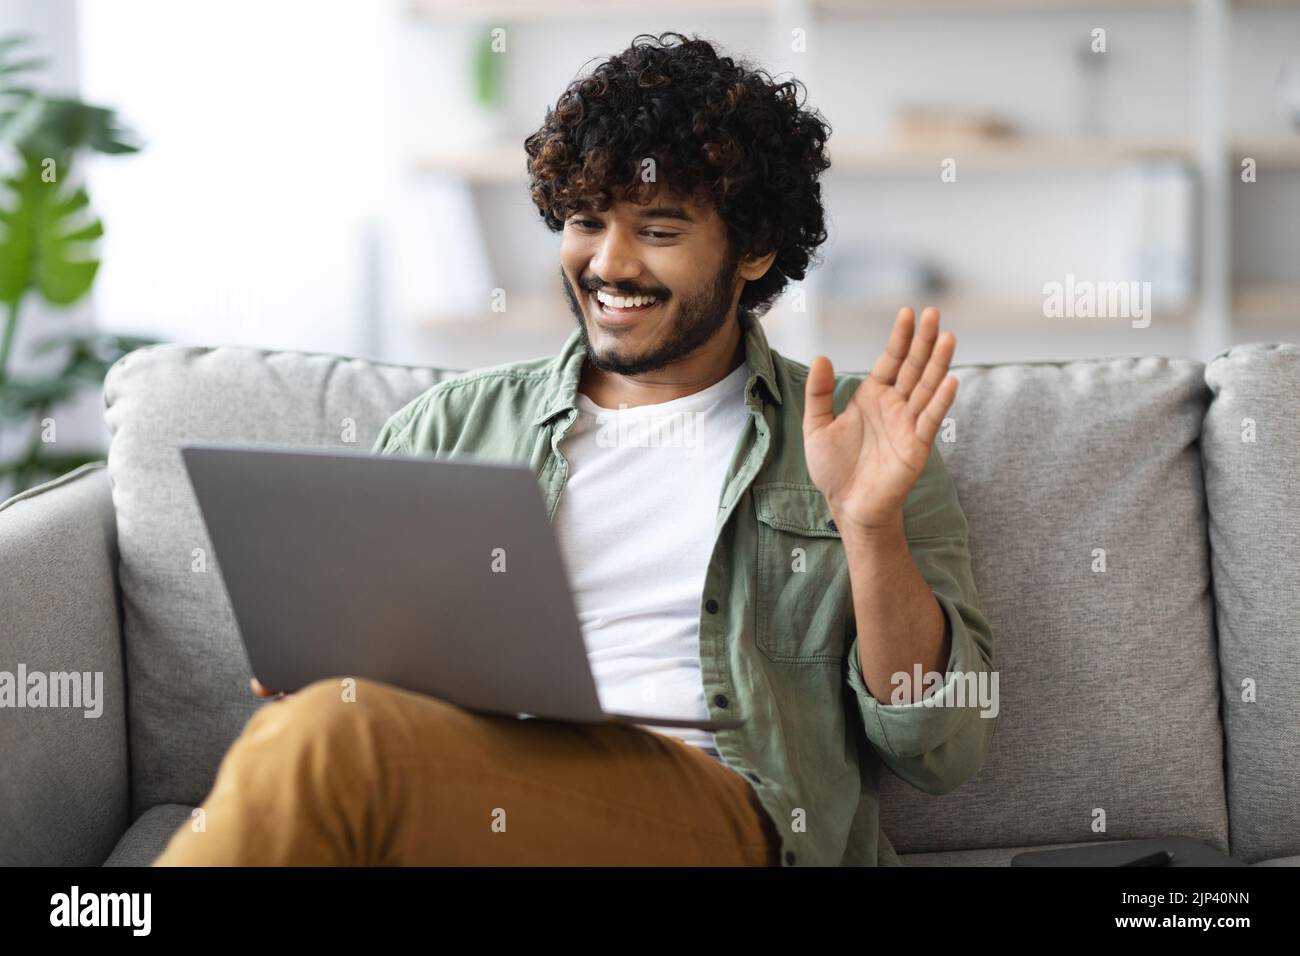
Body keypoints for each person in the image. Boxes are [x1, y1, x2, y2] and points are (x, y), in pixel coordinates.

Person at [154, 31, 996, 868]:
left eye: (659, 231)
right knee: (318, 733)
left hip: (724, 813)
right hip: (469, 802)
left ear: (753, 250)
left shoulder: (857, 436)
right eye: (586, 221)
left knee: (330, 744)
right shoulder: (453, 427)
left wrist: (869, 524)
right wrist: (323, 670)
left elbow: (940, 746)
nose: (609, 264)